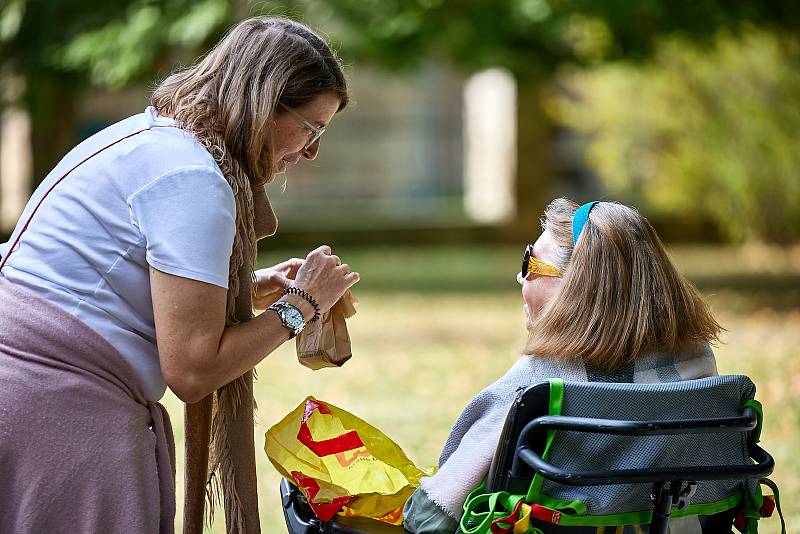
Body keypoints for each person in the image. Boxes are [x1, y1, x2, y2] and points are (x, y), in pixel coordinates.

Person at [0, 16, 358, 533]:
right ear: (262, 104)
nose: (311, 151)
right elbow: (193, 372)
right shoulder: (192, 177)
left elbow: (107, 284)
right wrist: (301, 305)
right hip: (54, 411)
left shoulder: (154, 140)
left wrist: (251, 290)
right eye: (311, 127)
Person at [402, 198, 721, 533]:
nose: (519, 277)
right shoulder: (697, 363)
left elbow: (433, 514)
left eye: (530, 264)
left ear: (577, 286)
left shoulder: (545, 382)